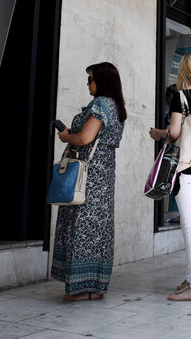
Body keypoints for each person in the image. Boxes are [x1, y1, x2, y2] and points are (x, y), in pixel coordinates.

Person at [51, 63, 126, 301]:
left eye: (91, 79)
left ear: (102, 81)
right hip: (103, 174)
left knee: (82, 226)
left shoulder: (101, 103)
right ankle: (94, 286)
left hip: (88, 174)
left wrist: (65, 136)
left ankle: (82, 289)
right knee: (98, 229)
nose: (88, 83)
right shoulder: (115, 106)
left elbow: (85, 137)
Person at [149, 53, 191, 300]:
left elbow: (175, 133)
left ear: (184, 70)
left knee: (190, 228)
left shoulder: (180, 97)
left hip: (184, 170)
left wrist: (159, 133)